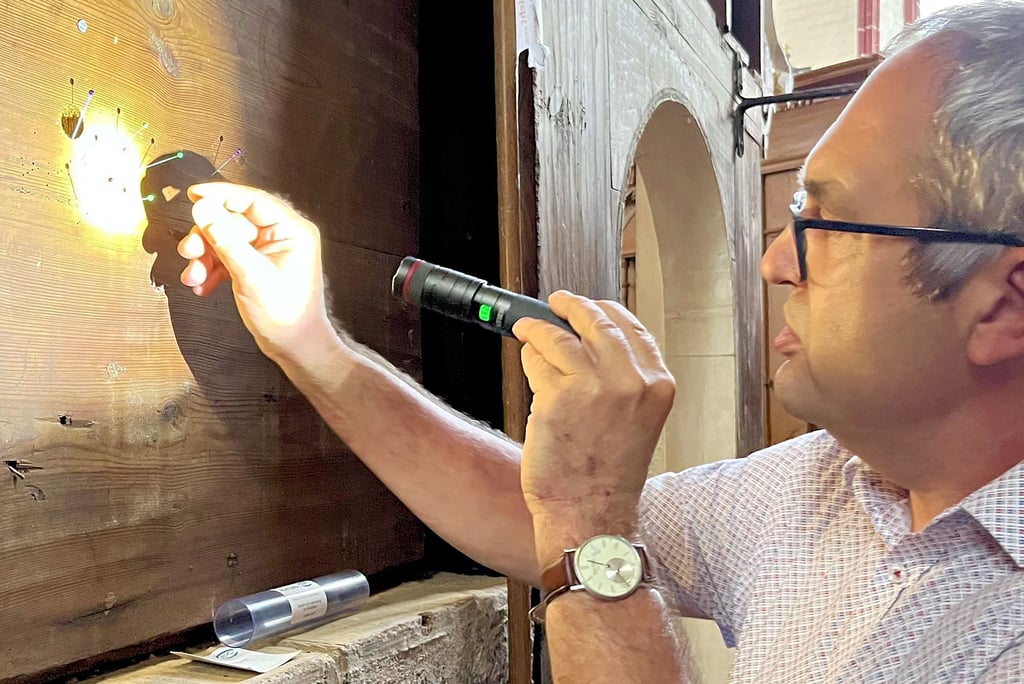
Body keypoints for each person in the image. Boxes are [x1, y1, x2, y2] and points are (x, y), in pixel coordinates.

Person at [177, 2, 1024, 681]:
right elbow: (531, 518)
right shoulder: (827, 482)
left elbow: (584, 535)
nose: (775, 262)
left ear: (1005, 305)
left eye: (826, 225)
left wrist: (588, 514)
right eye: (793, 214)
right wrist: (314, 346)